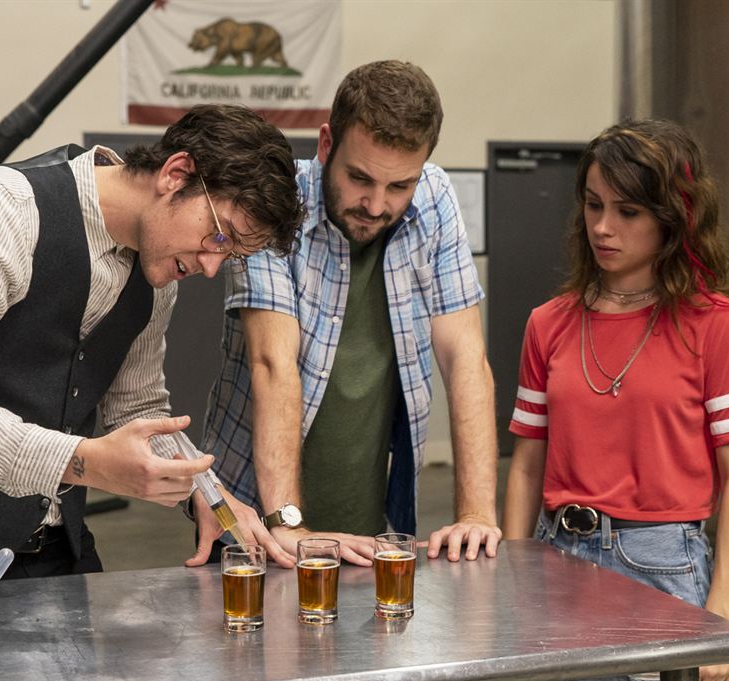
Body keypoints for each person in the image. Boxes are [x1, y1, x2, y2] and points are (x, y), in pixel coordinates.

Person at [0, 104, 305, 588]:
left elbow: (136, 405)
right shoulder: (5, 208)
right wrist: (81, 461)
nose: (212, 266)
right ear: (176, 174)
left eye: (231, 255)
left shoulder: (157, 271)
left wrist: (207, 492)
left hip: (59, 549)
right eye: (219, 236)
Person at [503, 119, 729, 681]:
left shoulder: (715, 324)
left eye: (628, 212)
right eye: (594, 206)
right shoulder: (549, 323)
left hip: (662, 572)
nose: (603, 227)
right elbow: (526, 465)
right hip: (553, 564)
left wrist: (722, 618)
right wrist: (509, 591)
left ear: (674, 218)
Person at [192, 60, 501, 571]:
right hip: (254, 520)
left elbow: (466, 356)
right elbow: (272, 363)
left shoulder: (436, 198)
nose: (377, 204)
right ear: (326, 145)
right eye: (360, 178)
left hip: (369, 525)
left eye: (399, 186)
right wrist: (287, 525)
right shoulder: (274, 201)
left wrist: (476, 514)